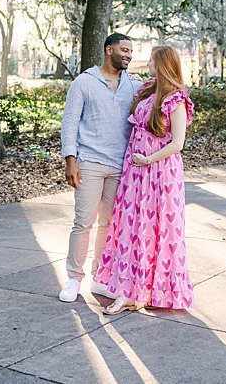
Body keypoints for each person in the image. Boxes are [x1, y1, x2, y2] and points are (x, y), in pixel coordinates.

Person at [94, 44, 197, 314]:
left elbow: (178, 144)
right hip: (136, 172)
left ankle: (153, 291)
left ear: (162, 64)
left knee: (157, 229)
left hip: (160, 173)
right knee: (133, 228)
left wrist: (148, 159)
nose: (148, 64)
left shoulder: (176, 98)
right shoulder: (148, 90)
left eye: (152, 61)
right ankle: (129, 291)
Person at [58, 32, 142, 303]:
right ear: (109, 50)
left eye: (131, 51)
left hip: (121, 166)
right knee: (83, 222)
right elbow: (70, 122)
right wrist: (70, 160)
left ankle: (101, 277)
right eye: (124, 50)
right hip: (90, 163)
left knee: (109, 224)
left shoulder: (134, 85)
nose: (128, 55)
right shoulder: (84, 82)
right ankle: (73, 279)